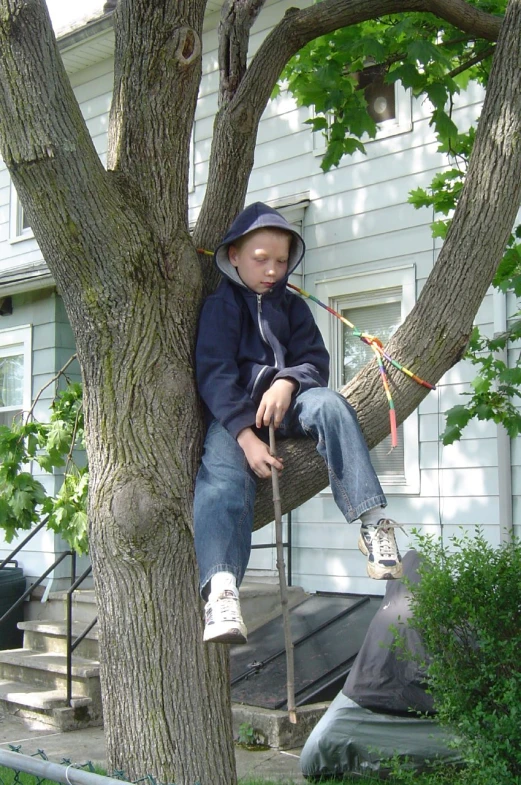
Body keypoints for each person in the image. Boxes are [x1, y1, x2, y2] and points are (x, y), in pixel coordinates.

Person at [194, 202, 403, 644]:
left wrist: (287, 383)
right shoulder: (220, 307)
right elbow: (214, 374)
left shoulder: (292, 307)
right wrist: (245, 437)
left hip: (292, 405)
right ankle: (222, 590)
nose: (273, 269)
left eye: (282, 260)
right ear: (233, 254)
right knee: (221, 480)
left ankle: (373, 522)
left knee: (332, 406)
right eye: (261, 259)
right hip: (237, 418)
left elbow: (315, 360)